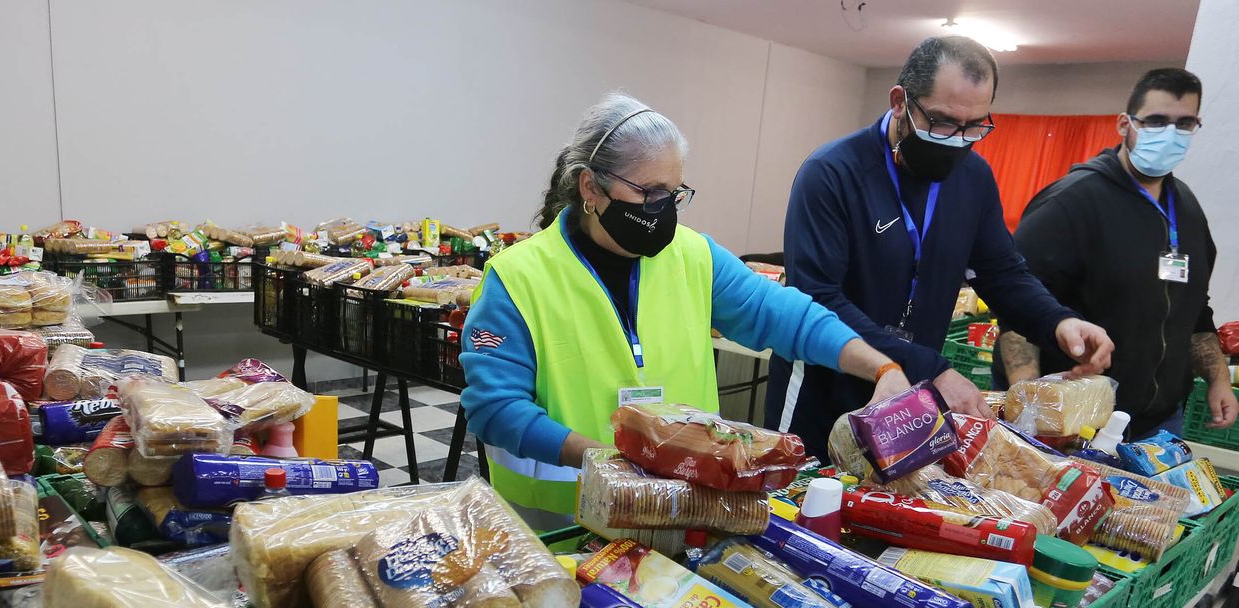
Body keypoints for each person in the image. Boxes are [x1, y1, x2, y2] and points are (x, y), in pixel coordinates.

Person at [460, 92, 910, 523]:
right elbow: (496, 409)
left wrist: (882, 369)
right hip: (559, 527)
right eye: (649, 193)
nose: (665, 211)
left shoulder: (693, 256)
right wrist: (603, 460)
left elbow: (787, 316)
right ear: (589, 189)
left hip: (679, 515)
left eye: (674, 194)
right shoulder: (517, 278)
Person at [771, 35, 1114, 462]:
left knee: (884, 515)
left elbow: (1001, 272)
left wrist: (1057, 321)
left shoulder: (973, 178)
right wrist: (930, 368)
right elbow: (818, 298)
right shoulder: (834, 173)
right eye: (942, 122)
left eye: (974, 127)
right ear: (900, 101)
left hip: (910, 402)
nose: (957, 139)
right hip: (825, 389)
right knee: (806, 508)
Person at [995, 68, 1237, 438]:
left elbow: (1195, 311)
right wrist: (1030, 405)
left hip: (1160, 422)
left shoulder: (1186, 208)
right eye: (1156, 121)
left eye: (1185, 124)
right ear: (1125, 124)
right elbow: (1017, 310)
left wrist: (1218, 379)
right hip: (1074, 423)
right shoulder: (1071, 202)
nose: (1170, 134)